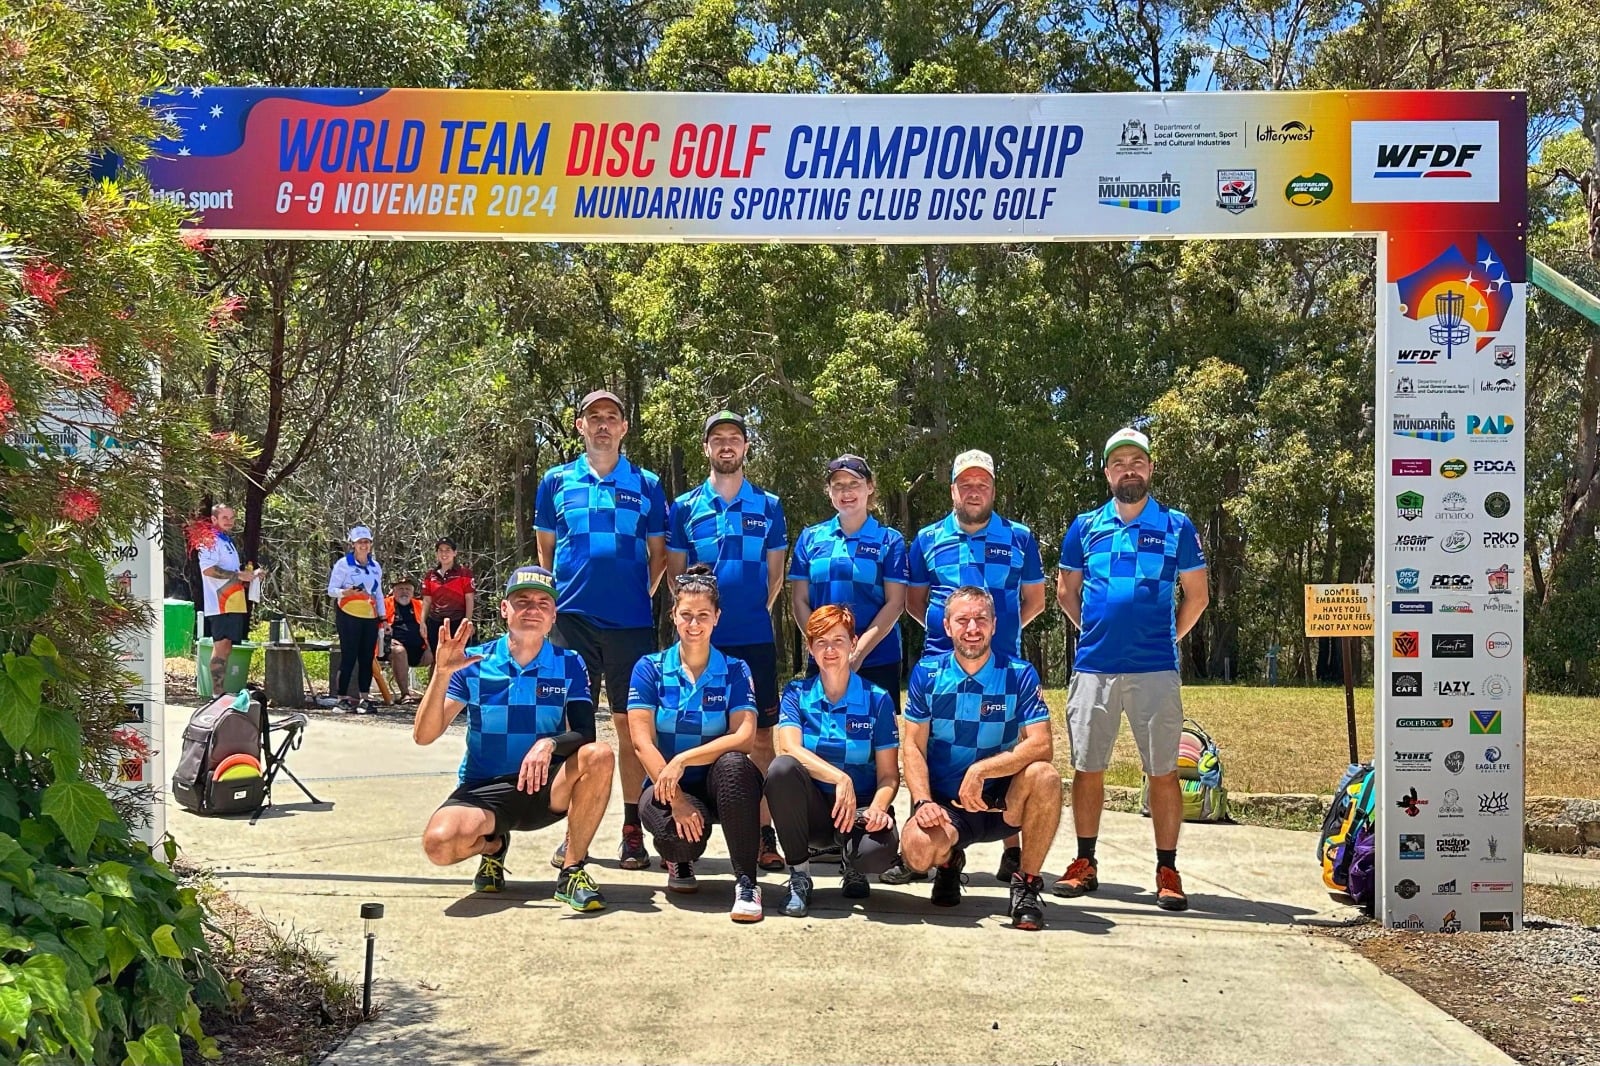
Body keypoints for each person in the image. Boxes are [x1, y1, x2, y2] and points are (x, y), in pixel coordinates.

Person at [1056, 427, 1209, 912]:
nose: (1129, 469)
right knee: (1087, 769)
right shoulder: (1084, 526)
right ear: (1106, 472)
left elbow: (1198, 596)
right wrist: (1098, 632)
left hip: (1155, 670)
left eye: (1137, 462)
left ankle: (1167, 867)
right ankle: (1085, 863)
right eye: (1119, 462)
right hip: (1094, 667)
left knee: (1162, 771)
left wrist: (1166, 640)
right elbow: (1066, 592)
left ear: (1150, 469)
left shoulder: (1177, 526)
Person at [414, 567, 614, 911]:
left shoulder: (570, 663)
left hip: (546, 786)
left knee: (599, 754)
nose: (532, 609)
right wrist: (442, 674)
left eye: (542, 603)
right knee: (439, 846)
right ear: (505, 609)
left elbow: (585, 732)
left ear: (554, 615)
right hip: (486, 789)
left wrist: (549, 743)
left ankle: (572, 870)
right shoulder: (473, 661)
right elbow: (424, 735)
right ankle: (493, 847)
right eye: (522, 601)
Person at [892, 448, 1046, 885]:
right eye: (966, 484)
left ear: (993, 489)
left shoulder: (1019, 537)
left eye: (983, 484)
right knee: (932, 750)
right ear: (953, 489)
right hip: (941, 668)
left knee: (1005, 750)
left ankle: (1012, 854)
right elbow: (915, 602)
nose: (974, 491)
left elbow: (1034, 600)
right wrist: (952, 636)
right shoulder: (926, 538)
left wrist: (996, 635)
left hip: (1001, 666)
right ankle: (938, 850)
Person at [536, 389, 669, 872]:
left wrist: (637, 595)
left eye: (612, 417)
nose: (604, 425)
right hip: (571, 622)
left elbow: (657, 556)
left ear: (624, 427)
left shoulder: (648, 484)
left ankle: (632, 831)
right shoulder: (555, 481)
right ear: (580, 426)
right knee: (576, 732)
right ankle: (577, 835)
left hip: (630, 623)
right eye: (595, 418)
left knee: (633, 731)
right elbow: (546, 553)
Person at [665, 410, 788, 871]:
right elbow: (678, 578)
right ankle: (681, 828)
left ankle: (761, 834)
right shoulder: (683, 507)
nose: (726, 445)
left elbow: (775, 579)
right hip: (700, 640)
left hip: (753, 637)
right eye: (718, 439)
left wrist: (747, 614)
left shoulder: (769, 506)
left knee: (759, 740)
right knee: (685, 728)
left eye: (734, 438)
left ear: (746, 447)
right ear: (706, 449)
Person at [898, 586, 1060, 931]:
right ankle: (948, 862)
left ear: (995, 624)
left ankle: (1026, 886)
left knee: (1045, 776)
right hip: (949, 805)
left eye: (980, 619)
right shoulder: (927, 674)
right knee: (915, 851)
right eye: (963, 620)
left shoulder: (1018, 673)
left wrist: (983, 769)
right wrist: (923, 800)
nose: (972, 628)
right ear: (946, 626)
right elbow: (912, 746)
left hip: (1003, 802)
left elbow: (1042, 745)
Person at [627, 565, 767, 923]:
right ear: (673, 615)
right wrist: (676, 799)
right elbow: (641, 743)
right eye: (686, 615)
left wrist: (683, 759)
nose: (694, 624)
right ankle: (680, 860)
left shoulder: (736, 669)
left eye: (703, 615)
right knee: (680, 839)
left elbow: (744, 737)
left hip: (718, 783)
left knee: (736, 764)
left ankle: (747, 882)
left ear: (717, 617)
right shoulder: (649, 668)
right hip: (664, 787)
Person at [765, 605, 900, 917]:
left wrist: (878, 808)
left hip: (859, 810)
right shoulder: (797, 693)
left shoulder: (877, 698)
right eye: (821, 642)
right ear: (810, 648)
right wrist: (840, 778)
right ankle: (800, 875)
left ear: (853, 644)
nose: (830, 650)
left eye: (838, 641)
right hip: (813, 812)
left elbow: (890, 776)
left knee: (876, 855)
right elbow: (789, 747)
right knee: (780, 770)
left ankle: (853, 863)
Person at [788, 454, 909, 707]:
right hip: (824, 658)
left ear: (870, 487)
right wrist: (824, 645)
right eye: (838, 485)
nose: (846, 492)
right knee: (820, 738)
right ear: (829, 492)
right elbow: (799, 600)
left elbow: (896, 603)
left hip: (878, 659)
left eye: (854, 483)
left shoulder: (889, 540)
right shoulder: (810, 538)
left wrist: (857, 653)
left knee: (879, 743)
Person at [195, 503, 260, 696]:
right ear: (214, 520)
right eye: (225, 518)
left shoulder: (227, 540)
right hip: (219, 601)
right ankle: (216, 693)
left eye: (232, 518)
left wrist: (250, 576)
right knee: (221, 646)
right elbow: (208, 570)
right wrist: (239, 576)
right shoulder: (210, 540)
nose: (230, 522)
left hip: (233, 600)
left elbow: (233, 572)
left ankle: (220, 692)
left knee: (227, 647)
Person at [328, 525, 385, 712]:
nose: (364, 545)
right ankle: (342, 697)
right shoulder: (343, 564)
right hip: (348, 614)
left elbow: (378, 593)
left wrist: (383, 617)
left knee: (367, 657)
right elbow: (331, 591)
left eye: (367, 542)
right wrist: (346, 592)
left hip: (369, 615)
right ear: (353, 544)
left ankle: (364, 698)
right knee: (349, 656)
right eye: (360, 542)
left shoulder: (375, 566)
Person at [422, 538, 475, 655]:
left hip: (457, 622)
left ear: (455, 553)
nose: (444, 553)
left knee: (458, 659)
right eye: (440, 550)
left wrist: (467, 622)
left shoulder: (464, 573)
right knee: (437, 659)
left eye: (447, 550)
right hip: (435, 623)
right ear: (436, 554)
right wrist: (422, 623)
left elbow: (469, 599)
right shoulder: (430, 575)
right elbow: (427, 601)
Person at [385, 575, 431, 701]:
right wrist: (387, 639)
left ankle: (431, 695)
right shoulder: (385, 604)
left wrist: (430, 645)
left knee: (441, 652)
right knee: (399, 651)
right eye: (400, 589)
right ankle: (405, 694)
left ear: (412, 592)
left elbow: (430, 626)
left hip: (419, 650)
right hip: (390, 649)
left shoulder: (421, 605)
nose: (404, 592)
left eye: (407, 589)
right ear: (393, 591)